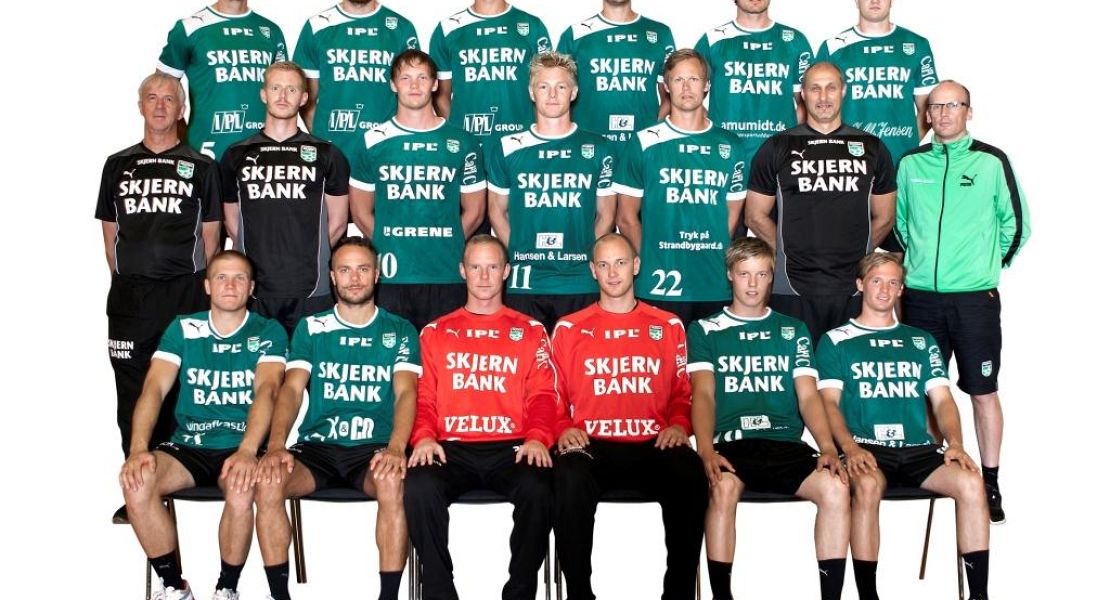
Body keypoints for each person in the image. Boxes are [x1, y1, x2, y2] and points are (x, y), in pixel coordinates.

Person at [253, 237, 420, 600]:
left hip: (373, 448)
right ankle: (279, 596)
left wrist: (396, 447)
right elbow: (292, 389)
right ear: (332, 277)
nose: (354, 279)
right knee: (267, 481)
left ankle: (388, 597)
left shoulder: (400, 329)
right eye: (345, 270)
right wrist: (276, 445)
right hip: (317, 449)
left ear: (377, 274)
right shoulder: (311, 327)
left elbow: (407, 393)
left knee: (392, 482)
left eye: (362, 269)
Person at [894, 80, 1031, 524]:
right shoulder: (910, 163)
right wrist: (918, 266)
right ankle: (932, 468)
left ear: (969, 111)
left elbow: (1016, 225)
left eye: (953, 105)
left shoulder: (991, 161)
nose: (944, 113)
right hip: (921, 299)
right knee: (926, 391)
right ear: (927, 114)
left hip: (974, 300)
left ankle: (990, 480)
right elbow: (899, 224)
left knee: (982, 391)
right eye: (936, 106)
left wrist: (982, 267)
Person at [817, 252, 991, 600]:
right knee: (867, 486)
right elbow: (828, 405)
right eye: (876, 281)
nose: (884, 290)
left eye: (893, 282)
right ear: (860, 285)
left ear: (901, 290)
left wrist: (956, 443)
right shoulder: (835, 340)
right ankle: (869, 594)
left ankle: (978, 595)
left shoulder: (920, 341)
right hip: (866, 449)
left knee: (972, 483)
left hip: (918, 450)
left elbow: (943, 400)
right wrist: (849, 447)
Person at [119, 250, 288, 600]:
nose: (230, 285)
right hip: (188, 445)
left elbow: (268, 391)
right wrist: (137, 449)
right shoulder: (184, 327)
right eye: (222, 277)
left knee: (241, 487)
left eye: (239, 278)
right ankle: (174, 586)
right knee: (137, 481)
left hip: (239, 444)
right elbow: (154, 388)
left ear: (251, 287)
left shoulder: (268, 330)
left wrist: (247, 451)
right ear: (207, 286)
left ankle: (227, 589)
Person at [688, 238, 849, 600]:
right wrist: (705, 450)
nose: (752, 283)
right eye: (744, 273)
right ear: (730, 275)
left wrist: (826, 446)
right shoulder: (704, 329)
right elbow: (704, 395)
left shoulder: (793, 330)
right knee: (722, 488)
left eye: (761, 274)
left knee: (836, 488)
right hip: (732, 445)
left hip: (784, 444)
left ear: (771, 277)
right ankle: (722, 596)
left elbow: (808, 396)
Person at [551, 232, 707, 600]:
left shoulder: (667, 326)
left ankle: (679, 594)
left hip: (653, 444)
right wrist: (562, 428)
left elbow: (682, 393)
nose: (612, 273)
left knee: (689, 471)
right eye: (604, 265)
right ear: (593, 270)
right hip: (592, 446)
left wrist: (678, 424)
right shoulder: (569, 328)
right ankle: (579, 594)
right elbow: (553, 394)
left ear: (635, 266)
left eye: (620, 263)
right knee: (568, 476)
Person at [403, 235, 557, 600]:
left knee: (539, 487)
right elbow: (423, 397)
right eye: (475, 267)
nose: (484, 276)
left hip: (512, 447)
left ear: (506, 271)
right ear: (462, 271)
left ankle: (520, 593)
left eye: (492, 267)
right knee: (419, 486)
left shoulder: (531, 330)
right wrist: (423, 436)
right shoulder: (436, 332)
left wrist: (537, 437)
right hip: (450, 448)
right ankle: (440, 593)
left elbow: (543, 394)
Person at [98, 72, 223, 522]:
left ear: (181, 108)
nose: (159, 105)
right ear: (140, 105)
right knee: (132, 390)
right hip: (131, 299)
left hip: (184, 293)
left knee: (183, 386)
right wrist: (131, 280)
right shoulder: (117, 165)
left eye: (169, 98)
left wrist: (192, 285)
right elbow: (111, 235)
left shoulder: (202, 166)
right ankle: (138, 488)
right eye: (151, 97)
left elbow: (212, 239)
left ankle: (182, 475)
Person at [744, 61, 895, 342]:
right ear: (802, 94)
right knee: (796, 367)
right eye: (815, 89)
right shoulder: (777, 146)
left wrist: (859, 252)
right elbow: (754, 215)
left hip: (853, 286)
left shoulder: (872, 147)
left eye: (831, 88)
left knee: (849, 367)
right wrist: (785, 252)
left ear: (843, 91)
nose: (823, 97)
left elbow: (885, 216)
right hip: (791, 286)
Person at [348, 49, 486, 330]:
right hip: (391, 275)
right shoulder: (371, 141)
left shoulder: (463, 141)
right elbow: (360, 212)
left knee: (443, 354)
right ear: (393, 84)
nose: (414, 85)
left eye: (422, 77)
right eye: (405, 78)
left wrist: (445, 243)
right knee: (392, 354)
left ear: (435, 84)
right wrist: (390, 244)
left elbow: (475, 211)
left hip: (445, 273)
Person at [613, 49, 747, 324]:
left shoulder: (731, 145)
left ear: (707, 85)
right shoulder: (643, 142)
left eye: (694, 79)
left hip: (712, 282)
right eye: (678, 80)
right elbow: (625, 218)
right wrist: (650, 259)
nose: (686, 88)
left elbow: (731, 217)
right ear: (666, 86)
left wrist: (708, 251)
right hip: (658, 282)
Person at [487, 52, 618, 331]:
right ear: (531, 92)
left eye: (561, 86)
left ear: (574, 92)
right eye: (543, 86)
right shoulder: (507, 147)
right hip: (525, 283)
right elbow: (497, 212)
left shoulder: (600, 148)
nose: (552, 95)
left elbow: (606, 215)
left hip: (579, 281)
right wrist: (520, 251)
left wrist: (585, 255)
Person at [221, 61, 351, 335]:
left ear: (303, 98)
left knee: (307, 362)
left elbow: (338, 222)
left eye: (292, 90)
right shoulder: (235, 154)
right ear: (263, 94)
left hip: (311, 287)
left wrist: (305, 252)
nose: (283, 96)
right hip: (254, 288)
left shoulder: (327, 154)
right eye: (276, 88)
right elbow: (233, 223)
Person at [695, 0, 812, 217]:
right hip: (726, 161)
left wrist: (786, 140)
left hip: (780, 164)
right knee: (726, 236)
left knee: (782, 237)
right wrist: (713, 135)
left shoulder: (794, 41)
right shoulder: (712, 40)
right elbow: (689, 100)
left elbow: (808, 103)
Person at [157, 0, 287, 160]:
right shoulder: (189, 28)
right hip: (205, 154)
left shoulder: (272, 31)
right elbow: (161, 94)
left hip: (264, 154)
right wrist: (185, 145)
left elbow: (287, 95)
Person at [293, 0, 420, 163]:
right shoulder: (316, 26)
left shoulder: (402, 28)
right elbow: (304, 98)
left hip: (386, 151)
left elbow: (415, 94)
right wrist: (322, 140)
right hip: (331, 154)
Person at [815, 0, 938, 164]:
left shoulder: (917, 45)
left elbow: (930, 109)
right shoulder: (832, 48)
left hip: (900, 162)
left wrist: (907, 147)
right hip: (848, 161)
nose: (875, 1)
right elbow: (815, 108)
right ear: (856, 1)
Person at [429, 0, 551, 140]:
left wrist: (534, 138)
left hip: (521, 139)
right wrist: (459, 137)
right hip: (469, 140)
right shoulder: (447, 29)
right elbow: (440, 95)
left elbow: (546, 89)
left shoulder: (533, 26)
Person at [556, 0, 675, 142]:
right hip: (589, 144)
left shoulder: (661, 33)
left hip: (641, 144)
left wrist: (651, 133)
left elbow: (670, 95)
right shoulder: (575, 35)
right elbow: (557, 92)